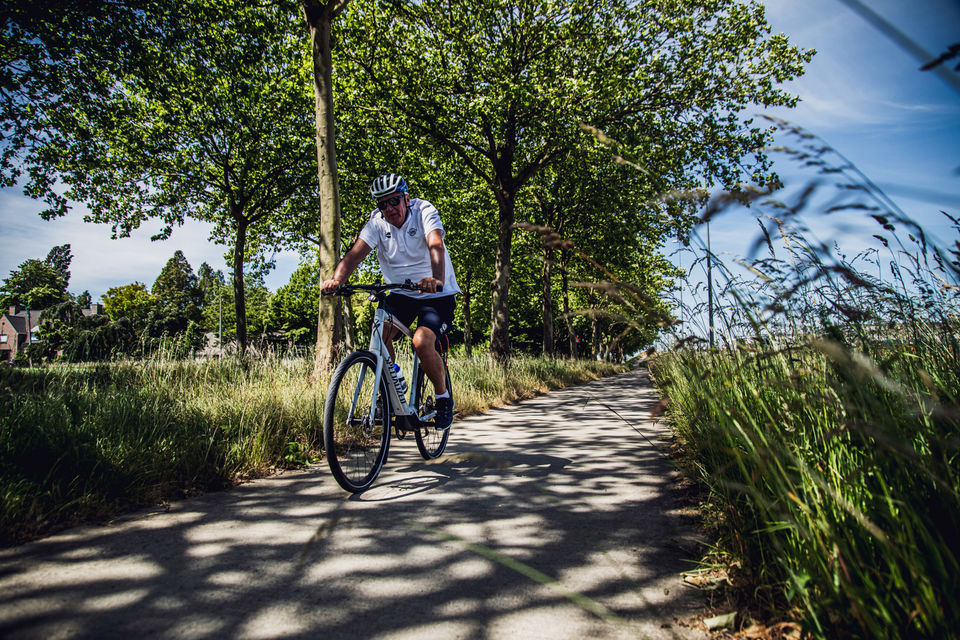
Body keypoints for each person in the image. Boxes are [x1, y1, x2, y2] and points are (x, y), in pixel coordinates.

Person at [322, 173, 460, 430]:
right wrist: (336, 280)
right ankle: (391, 387)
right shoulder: (376, 223)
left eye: (394, 201)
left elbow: (436, 245)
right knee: (381, 334)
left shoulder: (423, 210)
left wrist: (436, 278)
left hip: (436, 293)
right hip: (401, 292)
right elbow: (354, 255)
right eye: (382, 204)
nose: (389, 208)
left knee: (421, 341)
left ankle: (443, 399)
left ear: (406, 198)